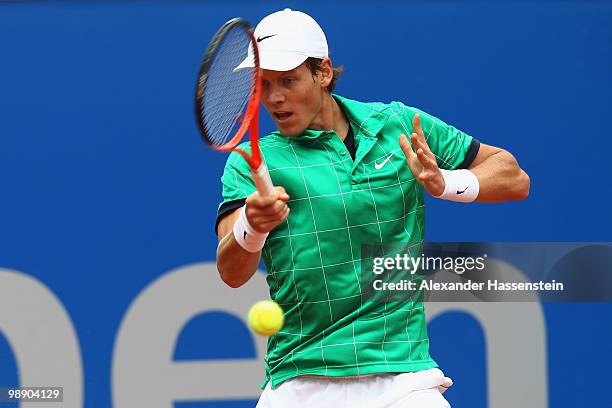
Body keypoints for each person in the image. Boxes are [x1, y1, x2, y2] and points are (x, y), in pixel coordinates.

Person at [215, 8, 530, 408]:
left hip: (403, 377)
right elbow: (230, 271)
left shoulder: (398, 124)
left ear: (323, 72)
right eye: (264, 84)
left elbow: (514, 177)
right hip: (301, 379)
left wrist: (445, 183)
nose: (275, 98)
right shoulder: (250, 161)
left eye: (289, 81)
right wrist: (252, 226)